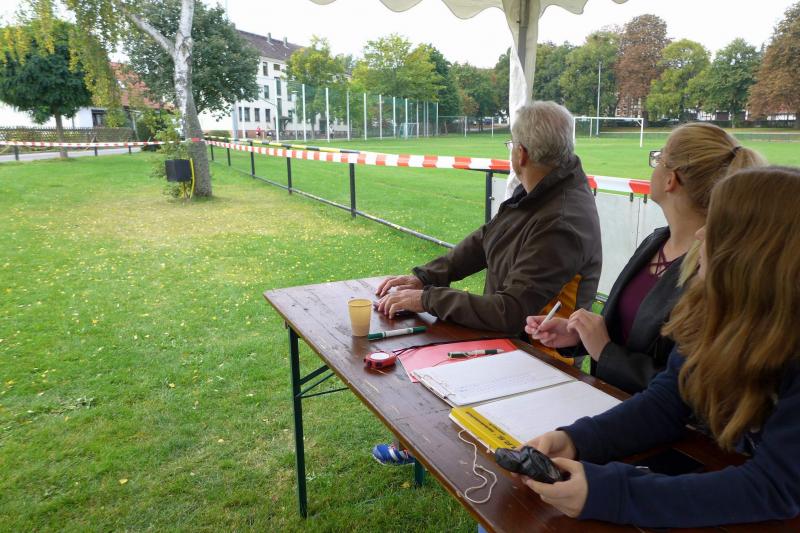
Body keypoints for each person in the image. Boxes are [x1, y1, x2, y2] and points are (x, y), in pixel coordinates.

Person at [522, 166, 800, 528]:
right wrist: (574, 440)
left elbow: (777, 486)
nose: (700, 233)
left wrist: (616, 493)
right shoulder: (710, 310)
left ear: (756, 254)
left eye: (717, 226)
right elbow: (667, 401)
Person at [372, 101, 602, 466]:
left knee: (431, 374)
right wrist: (426, 276)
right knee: (422, 360)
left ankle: (427, 447)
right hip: (508, 344)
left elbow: (511, 311)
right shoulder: (543, 189)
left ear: (521, 154)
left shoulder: (561, 218)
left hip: (538, 362)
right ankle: (418, 444)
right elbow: (486, 239)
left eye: (511, 144)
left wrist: (427, 298)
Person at [526, 123, 765, 393]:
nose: (653, 166)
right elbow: (629, 333)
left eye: (658, 159)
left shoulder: (713, 270)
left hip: (648, 416)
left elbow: (687, 388)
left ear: (671, 180)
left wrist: (605, 351)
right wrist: (579, 336)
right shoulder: (656, 241)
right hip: (612, 402)